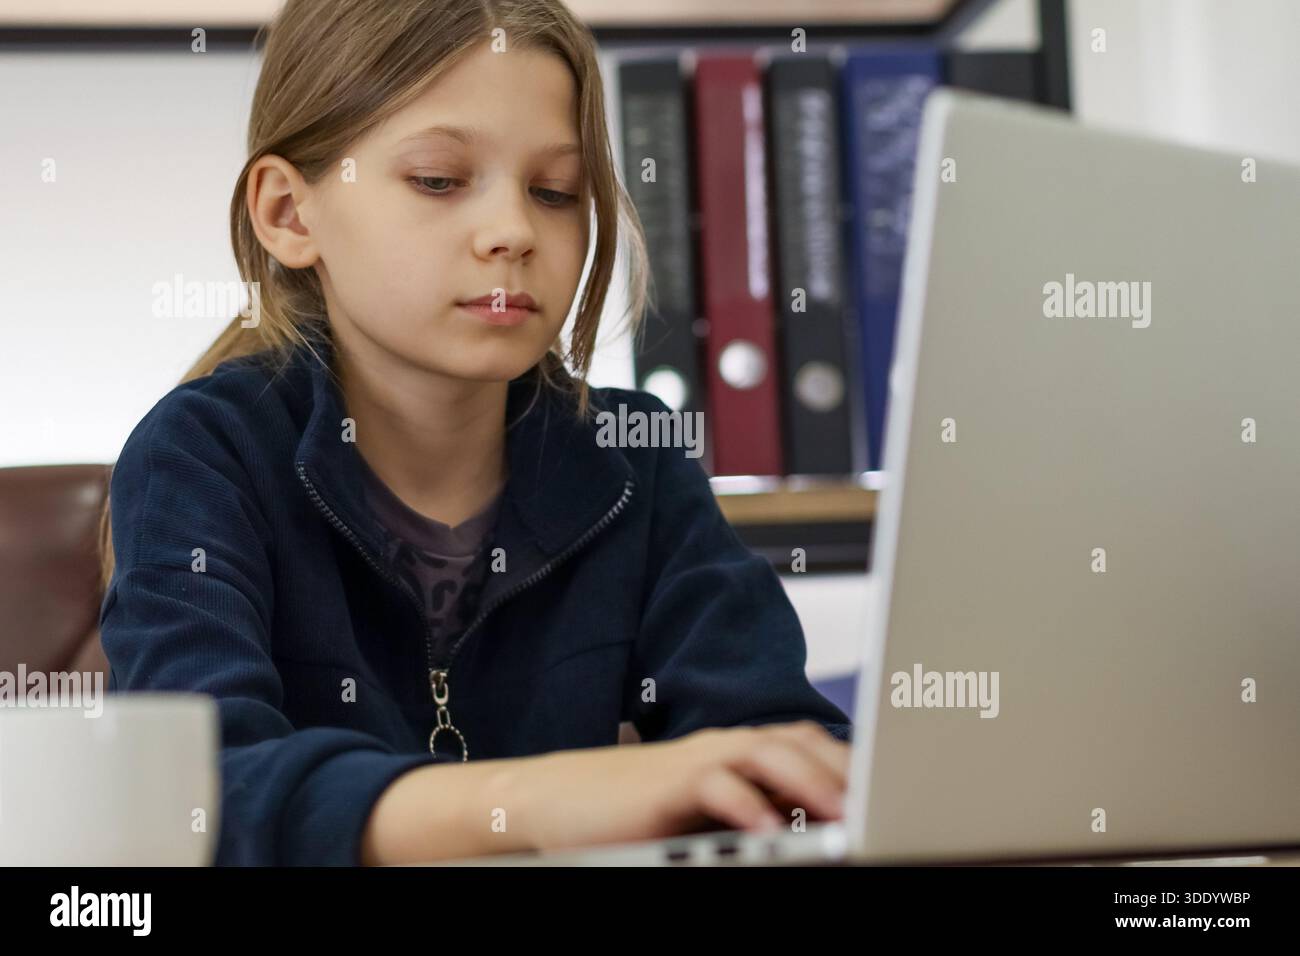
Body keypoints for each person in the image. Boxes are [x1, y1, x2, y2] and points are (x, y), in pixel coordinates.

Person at [98, 0, 852, 866]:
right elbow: (197, 798)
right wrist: (533, 802)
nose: (514, 233)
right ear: (289, 214)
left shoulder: (634, 455)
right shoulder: (200, 454)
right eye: (439, 180)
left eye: (555, 192)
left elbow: (779, 749)